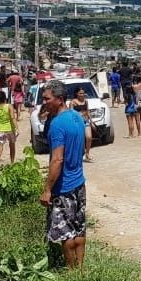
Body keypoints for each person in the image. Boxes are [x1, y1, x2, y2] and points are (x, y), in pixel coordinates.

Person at [39, 79, 90, 268]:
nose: (44, 102)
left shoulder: (57, 125)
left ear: (59, 99)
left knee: (66, 232)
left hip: (64, 186)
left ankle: (71, 272)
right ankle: (80, 269)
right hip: (79, 183)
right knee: (79, 228)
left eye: (47, 98)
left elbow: (57, 159)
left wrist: (47, 189)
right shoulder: (76, 116)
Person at [0, 88, 16, 165]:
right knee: (12, 145)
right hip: (10, 129)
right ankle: (12, 162)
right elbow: (12, 118)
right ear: (5, 98)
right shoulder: (9, 106)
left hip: (0, 129)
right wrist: (17, 128)